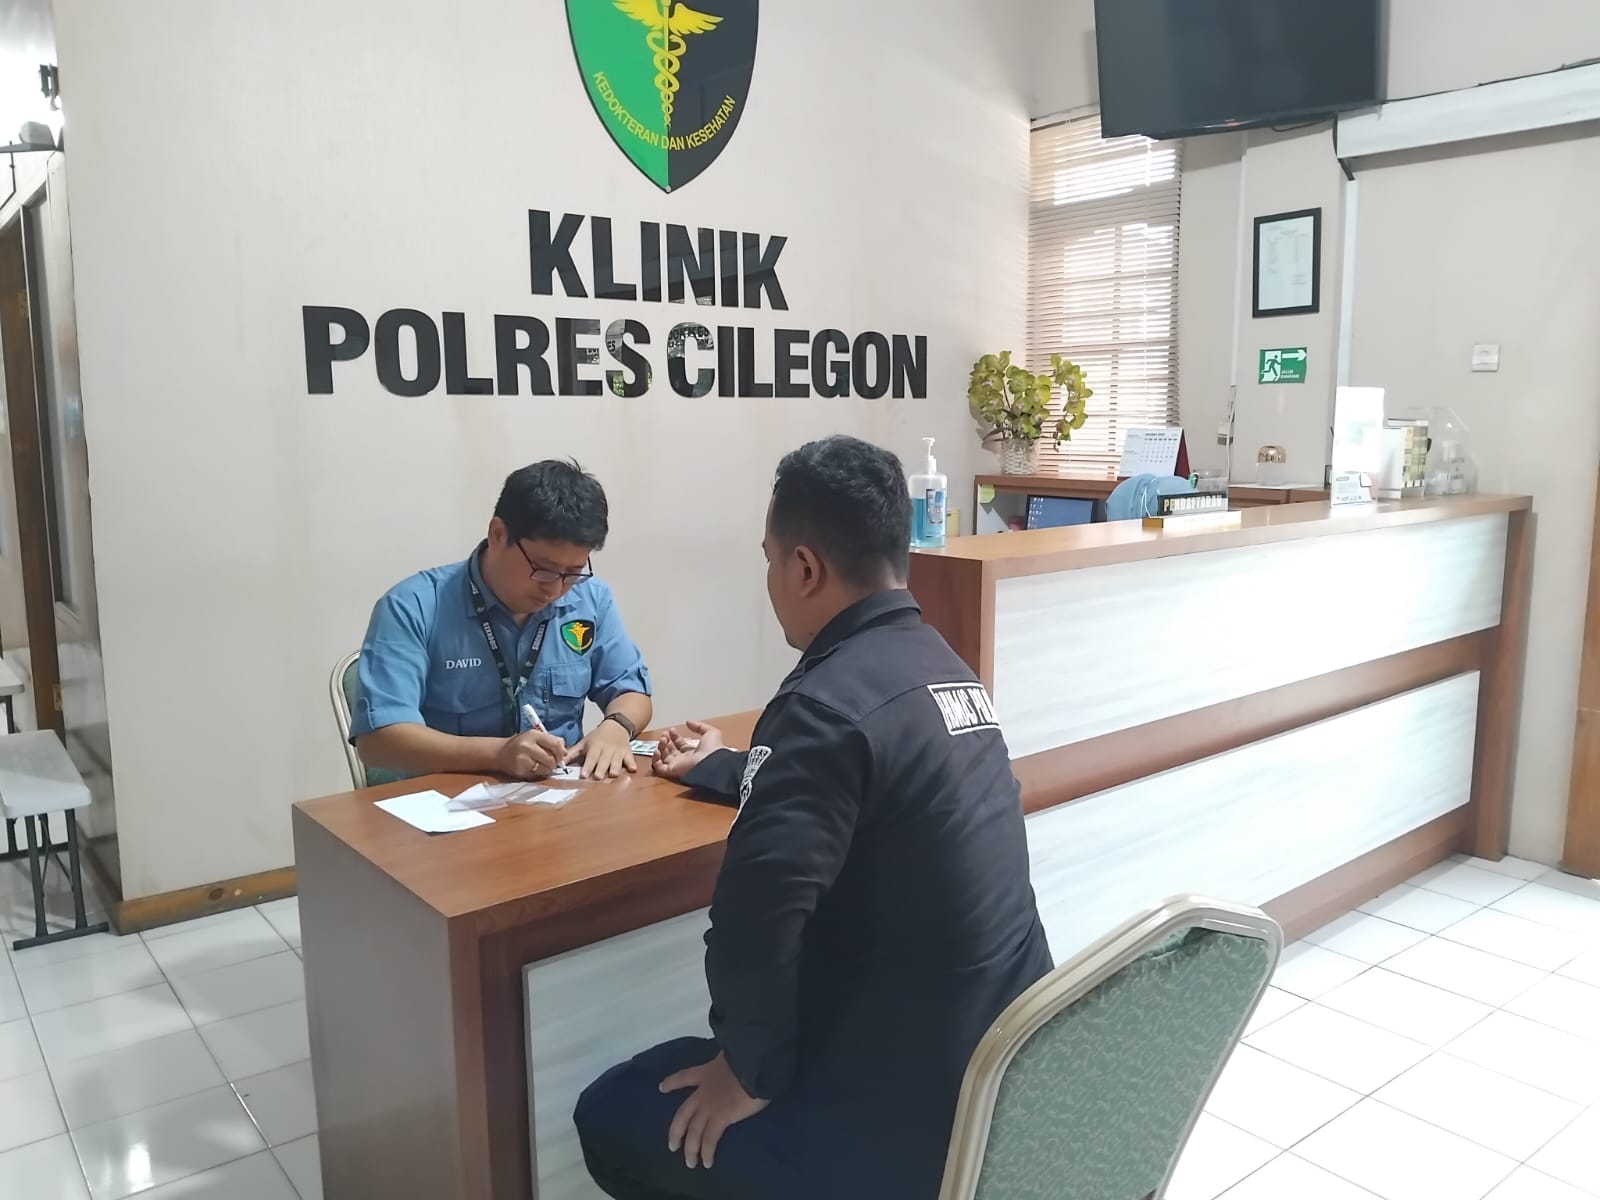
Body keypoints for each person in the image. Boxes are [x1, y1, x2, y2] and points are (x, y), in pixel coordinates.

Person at [573, 436, 1053, 1200]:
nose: (769, 581)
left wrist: (747, 1074)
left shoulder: (822, 707)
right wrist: (725, 766)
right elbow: (868, 787)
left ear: (804, 567)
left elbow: (752, 924)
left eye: (769, 561)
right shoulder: (943, 668)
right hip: (1002, 1078)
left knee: (610, 1112)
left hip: (899, 1120)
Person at [351, 460, 652, 781]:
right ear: (497, 534)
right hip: (450, 800)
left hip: (559, 795)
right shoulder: (413, 606)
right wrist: (497, 754)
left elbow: (632, 691)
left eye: (573, 572)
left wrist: (616, 727)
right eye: (543, 569)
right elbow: (378, 740)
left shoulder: (590, 599)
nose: (554, 589)